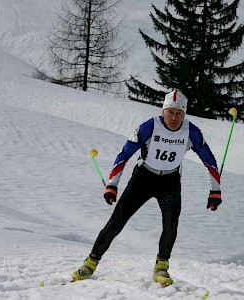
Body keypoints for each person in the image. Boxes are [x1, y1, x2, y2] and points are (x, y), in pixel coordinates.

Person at [72, 89, 222, 286]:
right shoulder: (150, 126)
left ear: (184, 114)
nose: (174, 117)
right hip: (143, 178)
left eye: (179, 113)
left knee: (171, 224)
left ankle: (161, 267)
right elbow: (124, 154)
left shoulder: (191, 131)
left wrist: (215, 190)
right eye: (170, 112)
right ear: (163, 111)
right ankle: (90, 263)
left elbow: (209, 160)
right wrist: (112, 185)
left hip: (170, 182)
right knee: (117, 221)